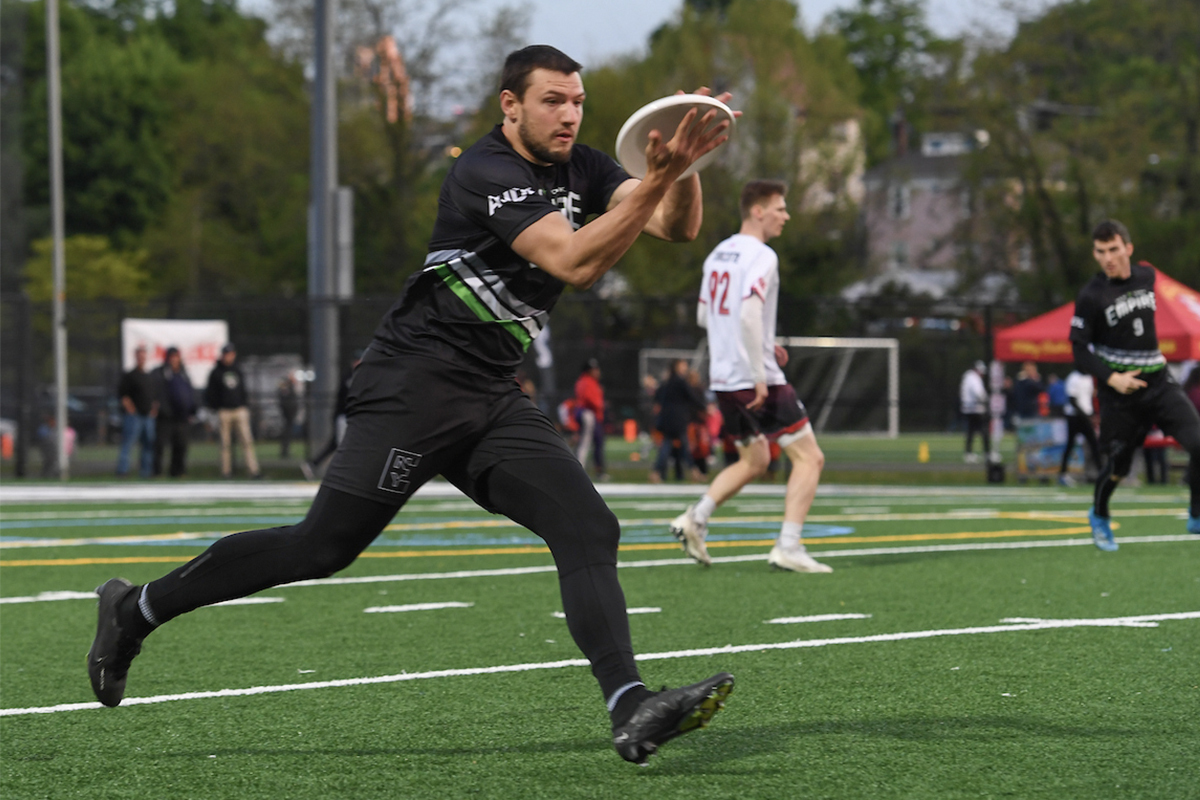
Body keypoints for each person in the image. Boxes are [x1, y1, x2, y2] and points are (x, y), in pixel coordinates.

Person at [86, 46, 735, 765]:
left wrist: (685, 169)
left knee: (587, 526)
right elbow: (574, 263)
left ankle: (629, 705)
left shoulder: (585, 166)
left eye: (577, 101)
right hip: (413, 385)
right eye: (553, 100)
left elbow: (674, 227)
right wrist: (663, 177)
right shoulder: (485, 169)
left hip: (490, 393)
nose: (570, 115)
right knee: (322, 547)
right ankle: (134, 609)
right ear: (510, 105)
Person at [669, 180, 831, 573]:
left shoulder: (716, 254)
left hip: (724, 379)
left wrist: (760, 343)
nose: (786, 216)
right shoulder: (763, 255)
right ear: (758, 211)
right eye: (780, 208)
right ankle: (788, 546)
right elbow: (746, 313)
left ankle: (696, 518)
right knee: (810, 458)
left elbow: (705, 316)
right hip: (756, 379)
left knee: (754, 459)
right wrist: (759, 371)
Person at [1068, 219, 1200, 550]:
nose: (1108, 258)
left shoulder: (1147, 276)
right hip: (1120, 394)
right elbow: (1079, 349)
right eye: (1100, 252)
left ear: (1128, 248)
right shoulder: (1091, 295)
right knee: (1118, 466)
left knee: (1199, 443)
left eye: (1114, 249)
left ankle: (1197, 513)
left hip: (1159, 382)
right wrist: (1113, 378)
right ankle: (1099, 514)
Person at [205, 343, 262, 479]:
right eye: (226, 354)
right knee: (225, 444)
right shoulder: (216, 372)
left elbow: (243, 390)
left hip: (239, 410)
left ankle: (253, 471)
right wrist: (216, 407)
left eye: (230, 354)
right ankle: (226, 472)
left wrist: (244, 405)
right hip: (224, 411)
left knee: (247, 441)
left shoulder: (238, 370)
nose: (228, 357)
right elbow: (210, 393)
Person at [302, 353, 363, 480]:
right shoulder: (349, 377)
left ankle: (314, 464)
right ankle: (339, 471)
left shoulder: (358, 375)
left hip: (350, 417)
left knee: (337, 444)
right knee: (343, 445)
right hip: (344, 417)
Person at [651, 358, 706, 481]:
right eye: (683, 365)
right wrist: (704, 407)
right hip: (677, 419)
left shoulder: (668, 382)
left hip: (667, 418)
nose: (685, 368)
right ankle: (694, 471)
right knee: (684, 446)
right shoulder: (680, 381)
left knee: (667, 446)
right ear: (677, 367)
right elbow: (691, 397)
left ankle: (656, 472)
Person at [152, 347, 196, 477]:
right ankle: (157, 471)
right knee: (160, 445)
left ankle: (177, 471)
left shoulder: (183, 373)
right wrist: (161, 407)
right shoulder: (161, 373)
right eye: (171, 357)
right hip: (166, 416)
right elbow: (156, 391)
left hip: (182, 416)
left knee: (181, 445)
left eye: (176, 356)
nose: (174, 359)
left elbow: (189, 393)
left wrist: (191, 410)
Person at [115, 345, 158, 478]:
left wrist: (154, 409)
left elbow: (154, 396)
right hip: (134, 416)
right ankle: (123, 470)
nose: (141, 358)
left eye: (143, 355)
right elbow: (123, 395)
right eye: (139, 355)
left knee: (148, 444)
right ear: (136, 357)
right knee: (128, 443)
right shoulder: (130, 375)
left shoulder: (149, 376)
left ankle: (146, 471)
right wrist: (130, 409)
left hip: (148, 416)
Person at [1058, 368, 1098, 487]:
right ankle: (1063, 474)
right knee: (1070, 445)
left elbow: (1088, 399)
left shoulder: (1089, 378)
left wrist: (1092, 413)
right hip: (1074, 416)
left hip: (1086, 415)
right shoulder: (1073, 378)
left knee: (1094, 445)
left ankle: (1101, 472)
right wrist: (1087, 416)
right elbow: (1072, 400)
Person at [574, 358, 608, 479]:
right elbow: (590, 400)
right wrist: (600, 405)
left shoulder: (591, 382)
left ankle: (598, 470)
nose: (597, 371)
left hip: (591, 414)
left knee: (597, 442)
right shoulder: (586, 381)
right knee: (586, 442)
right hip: (588, 413)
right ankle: (579, 469)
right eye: (594, 369)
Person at [960, 360, 989, 464]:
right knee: (984, 431)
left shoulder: (967, 376)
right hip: (975, 409)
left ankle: (968, 453)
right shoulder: (974, 378)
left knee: (970, 432)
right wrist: (986, 400)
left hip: (968, 408)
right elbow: (978, 393)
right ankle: (987, 453)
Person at [277, 373, 300, 458]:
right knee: (287, 431)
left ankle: (286, 449)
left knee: (288, 431)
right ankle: (285, 450)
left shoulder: (290, 387)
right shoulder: (286, 387)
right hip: (287, 413)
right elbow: (284, 400)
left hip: (290, 413)